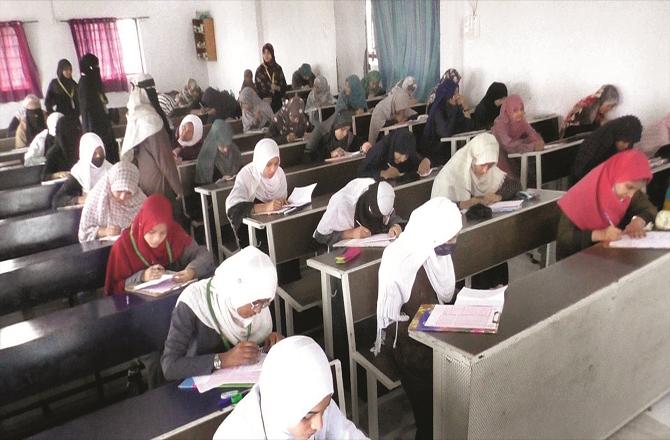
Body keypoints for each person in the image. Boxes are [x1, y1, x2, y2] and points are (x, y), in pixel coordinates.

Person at [373, 197, 462, 440]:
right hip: (409, 347)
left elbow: (444, 298)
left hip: (436, 336)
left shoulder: (435, 252)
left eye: (455, 236)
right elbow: (392, 324)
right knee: (434, 417)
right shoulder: (400, 261)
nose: (453, 243)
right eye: (450, 237)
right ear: (433, 234)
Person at [161, 246, 279, 381]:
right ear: (238, 294)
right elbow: (169, 367)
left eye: (265, 303)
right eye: (256, 304)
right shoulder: (193, 302)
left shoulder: (258, 298)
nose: (259, 311)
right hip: (200, 392)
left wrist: (270, 341)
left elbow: (255, 344)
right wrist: (223, 359)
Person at [214, 335, 366, 440]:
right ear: (280, 406)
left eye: (324, 410)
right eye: (307, 416)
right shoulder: (235, 435)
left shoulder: (315, 403)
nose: (318, 425)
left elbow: (347, 434)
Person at [431, 133, 521, 288]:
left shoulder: (490, 172)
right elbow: (436, 210)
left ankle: (495, 290)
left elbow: (515, 185)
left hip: (481, 234)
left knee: (494, 248)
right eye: (482, 165)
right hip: (455, 240)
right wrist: (461, 204)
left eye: (490, 165)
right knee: (479, 252)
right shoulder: (449, 177)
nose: (486, 170)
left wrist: (498, 196)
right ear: (472, 160)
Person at [104, 194, 215, 295]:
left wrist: (191, 271)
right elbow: (114, 288)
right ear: (142, 225)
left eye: (163, 233)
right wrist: (142, 276)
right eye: (151, 232)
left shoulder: (174, 234)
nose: (157, 239)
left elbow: (204, 255)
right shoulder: (123, 246)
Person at [557, 150, 656, 260]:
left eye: (636, 189)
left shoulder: (628, 188)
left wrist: (638, 221)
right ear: (616, 176)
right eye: (629, 187)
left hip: (610, 255)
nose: (631, 195)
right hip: (577, 259)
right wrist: (600, 234)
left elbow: (648, 208)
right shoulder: (581, 195)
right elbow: (564, 237)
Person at [120, 87, 182, 201]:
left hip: (143, 179)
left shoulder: (134, 118)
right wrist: (177, 188)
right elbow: (164, 160)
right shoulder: (152, 121)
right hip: (158, 179)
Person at [225, 139, 287, 246]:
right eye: (268, 164)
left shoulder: (279, 174)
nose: (273, 169)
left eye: (276, 163)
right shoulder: (247, 175)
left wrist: (283, 202)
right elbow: (233, 208)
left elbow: (283, 200)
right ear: (261, 161)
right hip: (253, 234)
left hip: (277, 227)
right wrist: (265, 207)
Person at [314, 179, 403, 247]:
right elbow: (320, 236)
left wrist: (395, 226)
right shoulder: (341, 204)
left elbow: (392, 216)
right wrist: (351, 233)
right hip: (345, 252)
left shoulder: (383, 193)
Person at [78, 161, 146, 242]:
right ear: (111, 185)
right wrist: (104, 231)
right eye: (119, 191)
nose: (122, 197)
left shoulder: (140, 200)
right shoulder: (96, 199)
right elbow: (83, 234)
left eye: (128, 193)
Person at [570, 115, 642, 185]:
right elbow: (580, 175)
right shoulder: (595, 148)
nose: (627, 146)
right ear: (617, 136)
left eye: (630, 142)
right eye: (624, 141)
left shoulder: (617, 144)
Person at [78, 53, 119, 163]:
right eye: (95, 66)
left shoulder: (92, 82)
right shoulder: (85, 83)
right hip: (95, 129)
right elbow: (88, 110)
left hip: (103, 127)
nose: (97, 69)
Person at [52, 133, 112, 208]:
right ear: (86, 154)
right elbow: (57, 200)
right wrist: (81, 199)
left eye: (101, 152)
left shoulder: (111, 169)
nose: (98, 156)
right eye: (94, 153)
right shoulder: (79, 173)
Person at [423, 78, 474, 165]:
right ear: (447, 94)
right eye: (454, 93)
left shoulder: (455, 108)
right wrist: (454, 109)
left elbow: (469, 127)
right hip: (437, 151)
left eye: (458, 92)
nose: (457, 96)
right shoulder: (438, 110)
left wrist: (465, 108)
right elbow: (445, 133)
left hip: (452, 147)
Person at [491, 94, 544, 175]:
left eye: (521, 109)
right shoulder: (500, 124)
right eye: (515, 110)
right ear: (507, 111)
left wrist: (539, 142)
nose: (519, 113)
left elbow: (532, 134)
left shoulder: (521, 121)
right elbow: (508, 145)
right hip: (498, 160)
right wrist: (532, 146)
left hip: (513, 157)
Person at [359, 127, 431, 180]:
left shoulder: (408, 149)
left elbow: (418, 160)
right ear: (393, 148)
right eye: (400, 155)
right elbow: (361, 173)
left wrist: (426, 161)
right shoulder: (379, 150)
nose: (403, 160)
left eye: (406, 156)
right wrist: (382, 173)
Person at [304, 110, 369, 163]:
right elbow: (307, 156)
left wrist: (364, 144)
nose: (345, 133)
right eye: (342, 129)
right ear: (334, 127)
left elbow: (356, 142)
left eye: (348, 129)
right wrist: (330, 155)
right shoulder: (320, 132)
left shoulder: (347, 135)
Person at [195, 120, 242, 185]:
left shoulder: (234, 150)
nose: (226, 149)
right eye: (222, 145)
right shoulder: (206, 156)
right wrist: (220, 180)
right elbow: (204, 185)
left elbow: (242, 170)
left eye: (228, 145)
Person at [135, 73, 172, 139]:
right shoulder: (139, 113)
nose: (152, 91)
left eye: (152, 88)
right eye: (148, 88)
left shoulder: (157, 109)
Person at [255, 43, 287, 112]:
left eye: (268, 52)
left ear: (272, 53)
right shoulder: (260, 70)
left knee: (278, 121)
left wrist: (277, 87)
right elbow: (257, 88)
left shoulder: (278, 68)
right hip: (265, 104)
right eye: (264, 53)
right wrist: (269, 90)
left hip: (277, 103)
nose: (266, 55)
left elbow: (284, 86)